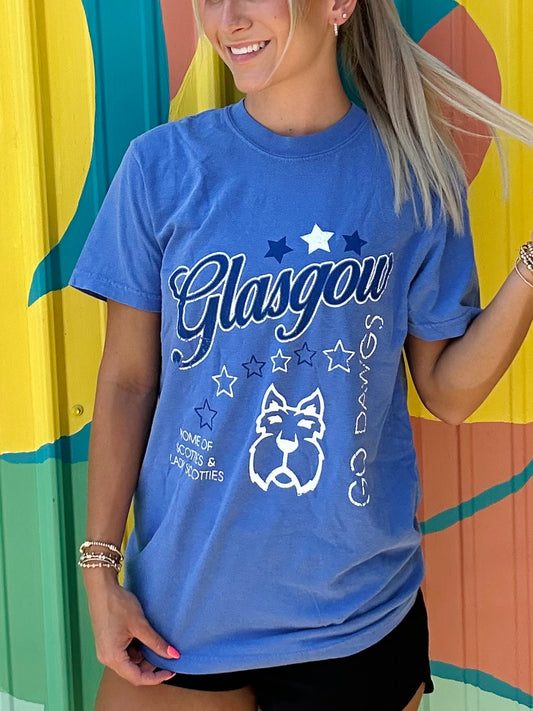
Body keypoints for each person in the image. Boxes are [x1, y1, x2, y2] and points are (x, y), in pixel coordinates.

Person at [69, 1, 533, 709]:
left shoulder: (411, 173)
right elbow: (128, 383)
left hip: (355, 619)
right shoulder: (162, 168)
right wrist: (99, 572)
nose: (227, 19)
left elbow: (447, 390)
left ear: (339, 4)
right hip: (181, 614)